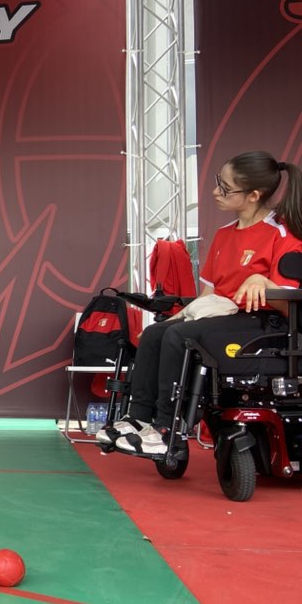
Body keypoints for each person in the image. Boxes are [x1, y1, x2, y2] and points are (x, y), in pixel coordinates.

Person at [100, 151, 302, 456]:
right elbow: (208, 295)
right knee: (156, 333)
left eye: (225, 187)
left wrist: (263, 283)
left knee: (178, 335)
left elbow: (291, 304)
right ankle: (138, 418)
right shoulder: (223, 235)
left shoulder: (282, 235)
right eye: (219, 182)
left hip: (263, 324)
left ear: (253, 195)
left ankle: (166, 428)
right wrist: (175, 317)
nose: (215, 192)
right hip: (222, 317)